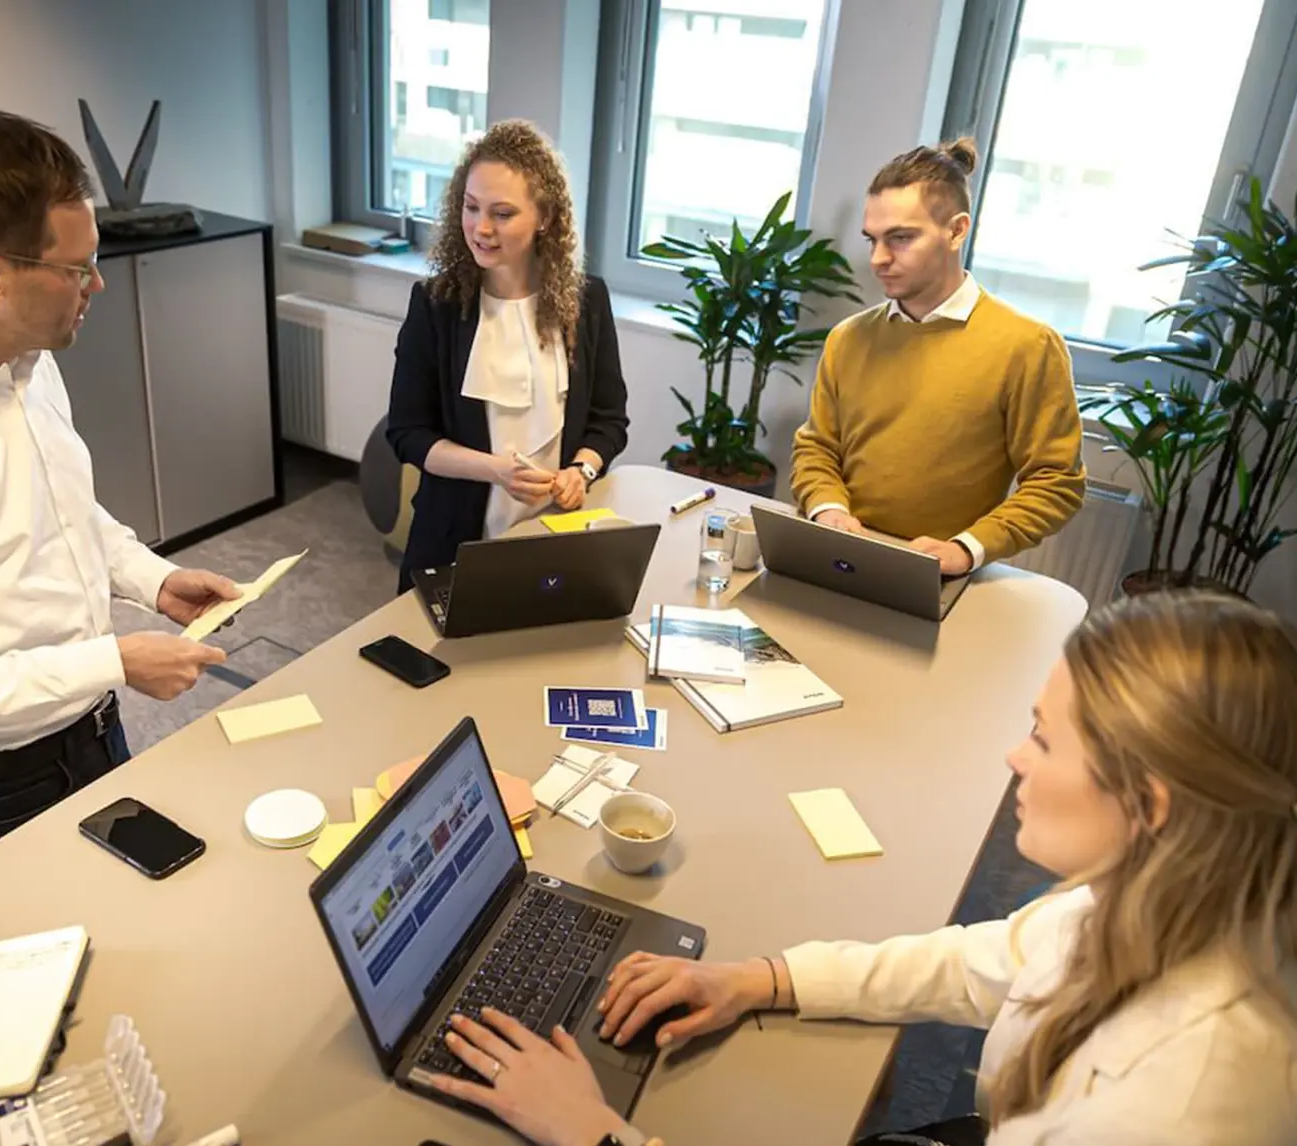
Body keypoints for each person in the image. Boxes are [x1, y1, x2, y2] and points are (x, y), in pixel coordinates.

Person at [425, 591, 1297, 1145]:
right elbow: (975, 963)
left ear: (1151, 804)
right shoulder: (1157, 897)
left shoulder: (1176, 1113)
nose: (1012, 759)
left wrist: (596, 1138)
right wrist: (760, 979)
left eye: (1041, 738)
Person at [0, 110, 238, 871]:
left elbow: (60, 512)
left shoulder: (22, 357)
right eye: (76, 268)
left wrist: (151, 579)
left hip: (89, 725)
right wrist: (114, 662)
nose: (97, 284)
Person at [789, 139, 1086, 576]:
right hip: (837, 557)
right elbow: (817, 446)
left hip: (940, 573)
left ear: (956, 230)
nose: (879, 258)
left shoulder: (1027, 346)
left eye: (901, 238)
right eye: (872, 240)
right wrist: (827, 509)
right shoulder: (847, 339)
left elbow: (1056, 481)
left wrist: (967, 549)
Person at [385, 119, 630, 593]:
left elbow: (609, 418)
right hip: (452, 546)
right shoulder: (436, 305)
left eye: (502, 213)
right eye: (471, 207)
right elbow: (407, 434)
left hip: (557, 541)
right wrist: (496, 470)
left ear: (544, 217)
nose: (480, 228)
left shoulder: (586, 301)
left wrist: (583, 469)